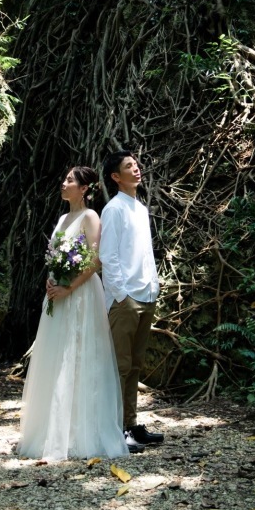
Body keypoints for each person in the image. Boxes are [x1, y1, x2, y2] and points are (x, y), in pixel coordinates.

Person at [17, 165, 128, 461]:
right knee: (56, 357)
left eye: (69, 180)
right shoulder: (62, 218)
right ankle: (52, 431)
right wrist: (52, 280)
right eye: (64, 178)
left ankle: (82, 432)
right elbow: (55, 256)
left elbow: (95, 261)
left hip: (81, 295)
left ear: (83, 189)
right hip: (59, 295)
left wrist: (70, 288)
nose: (63, 183)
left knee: (80, 356)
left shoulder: (90, 217)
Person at [99, 150, 165, 454]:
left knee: (135, 366)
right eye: (129, 167)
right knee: (120, 366)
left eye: (136, 165)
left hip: (146, 295)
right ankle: (116, 428)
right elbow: (108, 256)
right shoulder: (113, 210)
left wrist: (153, 285)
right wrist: (121, 295)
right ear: (116, 177)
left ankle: (131, 424)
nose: (136, 169)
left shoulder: (140, 208)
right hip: (126, 300)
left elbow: (143, 254)